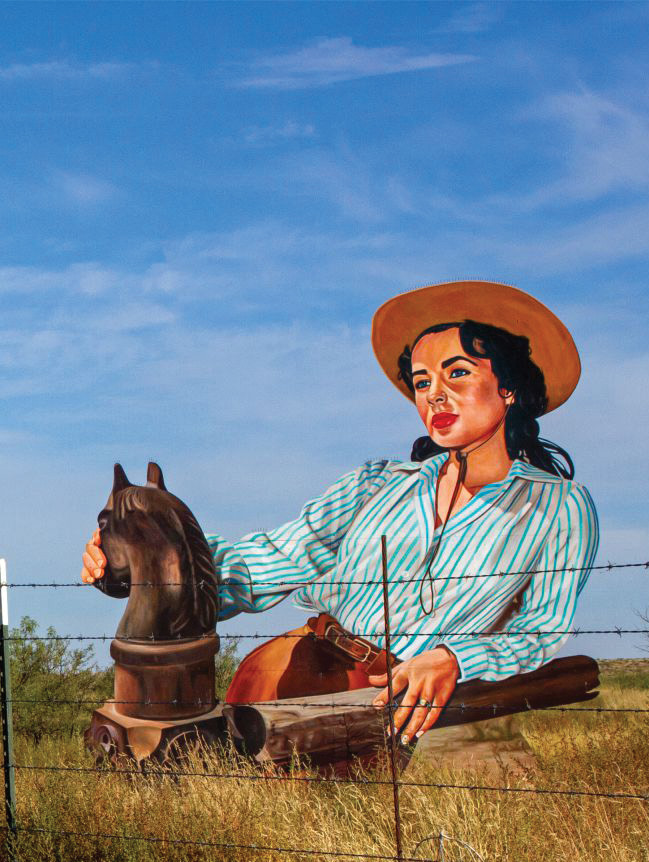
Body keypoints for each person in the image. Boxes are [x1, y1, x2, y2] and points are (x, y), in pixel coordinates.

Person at [81, 280, 598, 747]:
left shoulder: (559, 507)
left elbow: (540, 628)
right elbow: (275, 557)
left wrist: (456, 658)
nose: (435, 394)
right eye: (421, 382)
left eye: (457, 373)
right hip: (298, 671)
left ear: (507, 388)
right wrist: (154, 564)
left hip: (431, 704)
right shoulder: (376, 484)